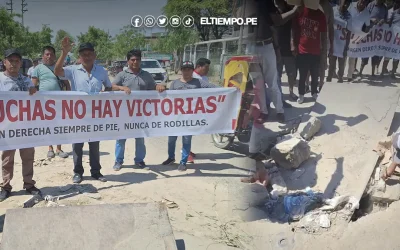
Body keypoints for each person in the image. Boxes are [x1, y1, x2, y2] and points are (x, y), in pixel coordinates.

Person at [54, 37, 112, 183]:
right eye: (83, 54)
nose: (86, 56)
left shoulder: (102, 71)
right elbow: (57, 71)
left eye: (89, 53)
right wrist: (64, 53)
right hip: (78, 116)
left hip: (96, 115)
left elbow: (109, 87)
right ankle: (78, 172)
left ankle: (96, 172)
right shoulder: (73, 70)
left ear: (94, 55)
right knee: (78, 145)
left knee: (94, 145)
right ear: (79, 57)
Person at [111, 49, 166, 171]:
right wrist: (122, 87)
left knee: (140, 138)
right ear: (128, 61)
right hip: (124, 113)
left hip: (141, 113)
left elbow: (153, 86)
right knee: (121, 138)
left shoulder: (146, 74)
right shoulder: (122, 75)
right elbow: (112, 86)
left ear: (141, 60)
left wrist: (159, 86)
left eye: (137, 59)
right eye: (133, 60)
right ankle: (118, 161)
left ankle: (139, 160)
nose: (135, 62)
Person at [0, 48, 41, 201]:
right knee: (7, 159)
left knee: (28, 157)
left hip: (26, 127)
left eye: (17, 61)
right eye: (11, 60)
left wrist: (33, 90)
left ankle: (29, 184)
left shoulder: (26, 79)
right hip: (7, 128)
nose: (14, 63)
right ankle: (5, 186)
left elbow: (35, 97)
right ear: (5, 62)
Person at [162, 61, 218, 171]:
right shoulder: (175, 84)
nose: (186, 71)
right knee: (171, 140)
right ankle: (171, 157)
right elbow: (168, 98)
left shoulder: (199, 83)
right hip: (176, 117)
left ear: (192, 71)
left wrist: (230, 89)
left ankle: (183, 161)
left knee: (186, 140)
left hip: (190, 118)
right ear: (181, 70)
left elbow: (214, 88)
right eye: (184, 69)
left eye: (189, 69)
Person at [252, 0, 301, 122]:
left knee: (272, 83)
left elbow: (276, 22)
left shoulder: (266, 2)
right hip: (249, 48)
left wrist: (294, 11)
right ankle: (263, 111)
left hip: (266, 45)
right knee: (258, 84)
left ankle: (279, 110)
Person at [31, 46, 71, 159]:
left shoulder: (59, 68)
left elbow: (67, 84)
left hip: (59, 102)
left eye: (51, 54)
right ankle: (50, 148)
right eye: (47, 54)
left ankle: (59, 148)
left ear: (54, 55)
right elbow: (32, 85)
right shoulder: (38, 68)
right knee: (48, 125)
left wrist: (69, 97)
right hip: (45, 103)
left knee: (60, 125)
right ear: (43, 56)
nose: (49, 56)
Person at [292, 6, 328, 104]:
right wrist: (294, 44)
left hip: (316, 51)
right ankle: (301, 94)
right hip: (302, 50)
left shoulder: (320, 14)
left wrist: (324, 51)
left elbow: (324, 34)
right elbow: (294, 29)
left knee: (315, 74)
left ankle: (314, 92)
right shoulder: (300, 10)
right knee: (302, 75)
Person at [189, 57, 212, 163]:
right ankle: (186, 153)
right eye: (206, 68)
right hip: (191, 109)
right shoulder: (192, 77)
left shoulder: (204, 78)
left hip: (200, 108)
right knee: (188, 131)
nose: (207, 70)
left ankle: (188, 150)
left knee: (193, 131)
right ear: (198, 67)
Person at [274, 0, 298, 101]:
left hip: (288, 47)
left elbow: (293, 28)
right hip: (277, 47)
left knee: (291, 73)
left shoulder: (289, 9)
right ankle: (279, 94)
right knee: (277, 74)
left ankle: (291, 92)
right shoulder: (273, 11)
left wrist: (293, 42)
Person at [359, 0, 388, 77]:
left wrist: (383, 21)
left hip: (378, 35)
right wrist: (372, 19)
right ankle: (360, 72)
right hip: (369, 33)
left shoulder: (385, 8)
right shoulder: (371, 5)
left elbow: (386, 19)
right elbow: (365, 16)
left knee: (375, 54)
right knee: (365, 53)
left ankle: (372, 73)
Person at [327, 0, 352, 83]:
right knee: (331, 63)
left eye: (347, 4)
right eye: (344, 2)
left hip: (342, 44)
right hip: (333, 42)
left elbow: (349, 32)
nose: (345, 5)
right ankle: (329, 77)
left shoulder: (349, 16)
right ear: (340, 2)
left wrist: (347, 46)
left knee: (341, 64)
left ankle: (340, 77)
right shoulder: (333, 10)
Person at [380, 0, 400, 78]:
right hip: (392, 38)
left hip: (399, 40)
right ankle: (382, 72)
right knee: (387, 55)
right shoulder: (394, 13)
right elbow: (389, 22)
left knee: (396, 56)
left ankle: (392, 73)